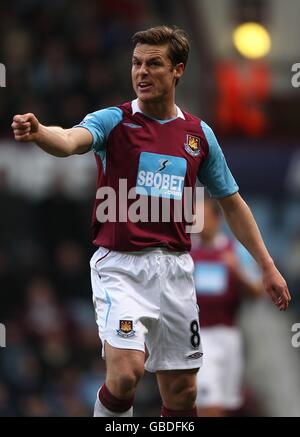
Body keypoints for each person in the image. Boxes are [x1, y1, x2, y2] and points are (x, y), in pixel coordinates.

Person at [11, 25, 291, 418]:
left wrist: (266, 265)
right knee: (126, 373)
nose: (141, 72)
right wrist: (41, 132)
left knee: (182, 393)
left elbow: (232, 203)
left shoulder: (198, 135)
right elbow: (70, 140)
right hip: (121, 267)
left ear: (178, 70)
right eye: (136, 63)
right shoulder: (114, 121)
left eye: (154, 64)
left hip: (175, 270)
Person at [191, 196, 263, 417]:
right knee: (208, 404)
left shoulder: (235, 251)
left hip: (229, 335)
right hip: (199, 336)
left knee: (225, 405)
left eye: (200, 217)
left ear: (216, 218)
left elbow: (258, 291)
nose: (195, 222)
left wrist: (236, 271)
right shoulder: (187, 254)